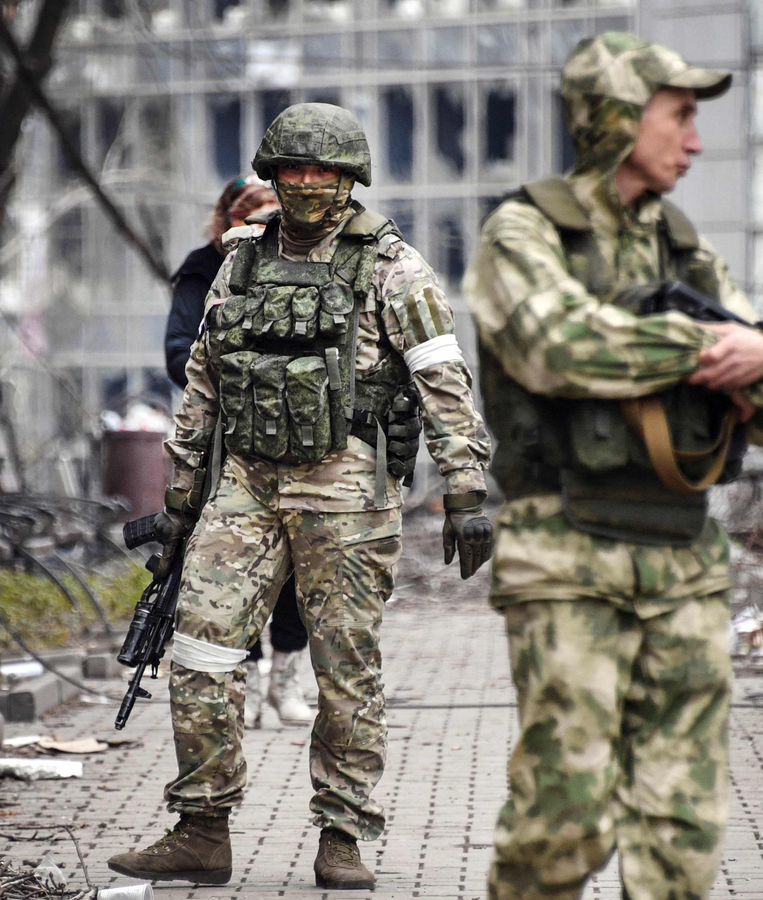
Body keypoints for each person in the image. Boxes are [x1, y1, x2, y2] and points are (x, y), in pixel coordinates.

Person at [464, 33, 763, 900]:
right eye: (681, 115)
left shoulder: (687, 251)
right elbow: (558, 346)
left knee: (682, 828)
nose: (695, 140)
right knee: (565, 819)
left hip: (684, 563)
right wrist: (714, 347)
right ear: (618, 118)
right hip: (566, 554)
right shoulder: (523, 230)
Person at [109, 102, 494, 889]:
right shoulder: (241, 262)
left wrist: (466, 489)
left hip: (348, 498)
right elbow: (204, 385)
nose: (309, 184)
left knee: (345, 672)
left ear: (352, 178)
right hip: (246, 488)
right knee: (200, 653)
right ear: (272, 174)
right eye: (294, 170)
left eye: (325, 172)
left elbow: (443, 382)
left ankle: (343, 835)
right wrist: (182, 498)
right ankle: (202, 827)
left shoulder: (394, 269)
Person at [165, 176, 315, 729]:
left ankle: (286, 678)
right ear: (227, 219)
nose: (262, 227)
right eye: (248, 215)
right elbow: (180, 352)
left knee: (301, 566)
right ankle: (247, 680)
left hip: (301, 444)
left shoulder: (311, 264)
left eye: (271, 213)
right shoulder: (206, 268)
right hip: (226, 443)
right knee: (228, 573)